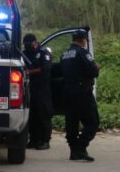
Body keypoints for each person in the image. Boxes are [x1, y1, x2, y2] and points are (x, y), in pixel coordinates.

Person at [61, 29, 100, 162]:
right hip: (82, 93)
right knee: (93, 122)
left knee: (72, 123)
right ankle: (80, 148)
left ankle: (74, 152)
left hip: (67, 93)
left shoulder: (65, 54)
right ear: (83, 40)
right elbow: (93, 71)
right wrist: (96, 67)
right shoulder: (83, 53)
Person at [23, 33, 53, 150]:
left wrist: (29, 72)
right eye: (25, 45)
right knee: (32, 115)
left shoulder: (44, 53)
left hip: (42, 89)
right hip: (30, 89)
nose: (26, 47)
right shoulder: (25, 54)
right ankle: (34, 140)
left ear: (35, 42)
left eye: (28, 44)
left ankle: (45, 140)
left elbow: (45, 69)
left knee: (44, 115)